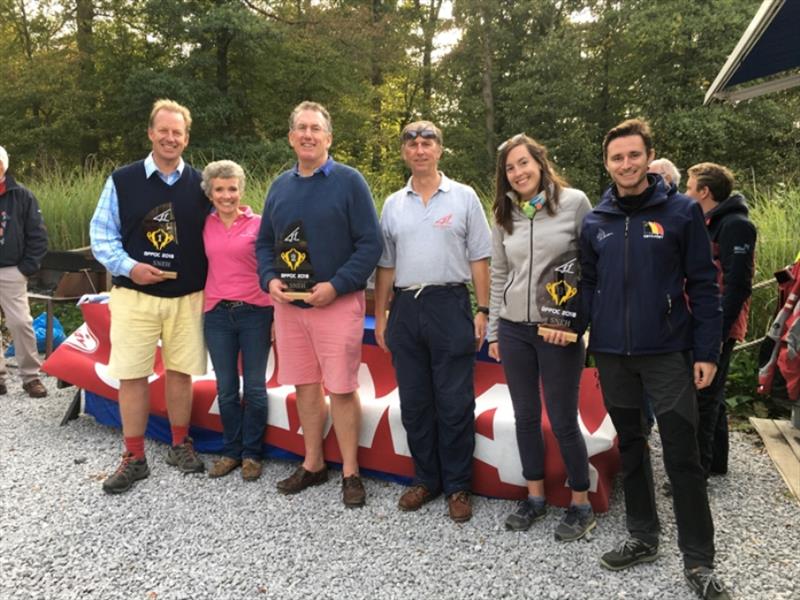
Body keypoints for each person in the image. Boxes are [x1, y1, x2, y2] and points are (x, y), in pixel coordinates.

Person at [579, 119, 730, 599]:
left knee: (682, 455)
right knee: (630, 448)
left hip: (667, 352)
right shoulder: (595, 222)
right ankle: (643, 536)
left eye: (633, 155)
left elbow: (706, 287)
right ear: (606, 163)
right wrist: (569, 328)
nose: (626, 164)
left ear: (648, 157)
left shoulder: (682, 212)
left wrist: (706, 351)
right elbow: (585, 285)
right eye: (617, 157)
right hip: (611, 355)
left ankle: (699, 561)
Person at [256, 101, 382, 508]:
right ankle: (313, 463)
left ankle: (350, 471)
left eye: (316, 128)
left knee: (342, 389)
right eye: (301, 128)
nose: (308, 135)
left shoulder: (349, 182)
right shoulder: (279, 186)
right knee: (305, 388)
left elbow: (370, 244)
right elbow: (263, 243)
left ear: (328, 137)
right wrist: (269, 279)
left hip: (336, 303)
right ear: (291, 137)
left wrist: (339, 285)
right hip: (290, 308)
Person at [374, 121, 491, 523]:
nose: (420, 150)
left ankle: (458, 485)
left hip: (450, 302)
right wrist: (381, 315)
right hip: (406, 306)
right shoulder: (393, 203)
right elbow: (385, 266)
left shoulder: (463, 197)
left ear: (440, 149)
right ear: (404, 152)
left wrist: (484, 310)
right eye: (413, 144)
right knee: (415, 401)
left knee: (455, 400)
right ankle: (426, 478)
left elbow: (480, 260)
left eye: (428, 143)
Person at [90, 99, 210, 494]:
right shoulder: (122, 180)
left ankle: (179, 444)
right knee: (133, 375)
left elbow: (222, 230)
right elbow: (101, 236)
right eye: (164, 130)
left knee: (180, 373)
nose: (170, 138)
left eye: (177, 132)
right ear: (150, 133)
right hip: (134, 294)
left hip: (187, 297)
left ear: (186, 138)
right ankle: (134, 456)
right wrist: (129, 267)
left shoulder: (201, 185)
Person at [486, 134, 595, 540]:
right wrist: (496, 329)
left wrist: (577, 326)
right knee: (526, 416)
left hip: (558, 330)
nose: (518, 173)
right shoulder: (502, 212)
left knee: (564, 419)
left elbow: (591, 270)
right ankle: (534, 496)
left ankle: (580, 503)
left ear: (540, 162)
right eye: (510, 168)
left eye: (523, 163)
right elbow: (499, 274)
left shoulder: (574, 203)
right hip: (515, 329)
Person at [201, 160, 274, 482]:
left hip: (256, 312)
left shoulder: (260, 224)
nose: (227, 195)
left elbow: (273, 267)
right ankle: (231, 450)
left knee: (255, 388)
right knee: (227, 388)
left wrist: (277, 314)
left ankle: (252, 454)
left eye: (232, 188)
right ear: (210, 192)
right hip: (217, 313)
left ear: (241, 190)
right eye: (220, 189)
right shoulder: (203, 225)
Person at [686, 162, 756, 478]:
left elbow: (738, 284)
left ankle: (695, 472)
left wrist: (716, 331)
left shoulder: (736, 226)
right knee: (712, 394)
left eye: (688, 187)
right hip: (703, 321)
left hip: (719, 325)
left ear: (704, 191)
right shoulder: (708, 222)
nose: (684, 193)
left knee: (703, 396)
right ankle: (716, 462)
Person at [0, 145, 48, 398]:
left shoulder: (22, 196)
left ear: (4, 166)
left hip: (11, 271)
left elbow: (38, 236)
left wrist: (25, 269)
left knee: (20, 323)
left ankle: (31, 377)